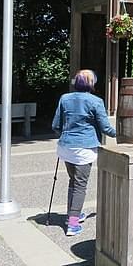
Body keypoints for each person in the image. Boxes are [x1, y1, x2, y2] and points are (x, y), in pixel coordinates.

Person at [52, 70, 116, 237]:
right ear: (91, 83)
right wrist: (123, 134)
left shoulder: (64, 98)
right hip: (84, 149)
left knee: (73, 182)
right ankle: (73, 224)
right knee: (80, 185)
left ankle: (72, 214)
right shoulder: (95, 101)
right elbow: (106, 128)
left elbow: (56, 125)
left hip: (66, 147)